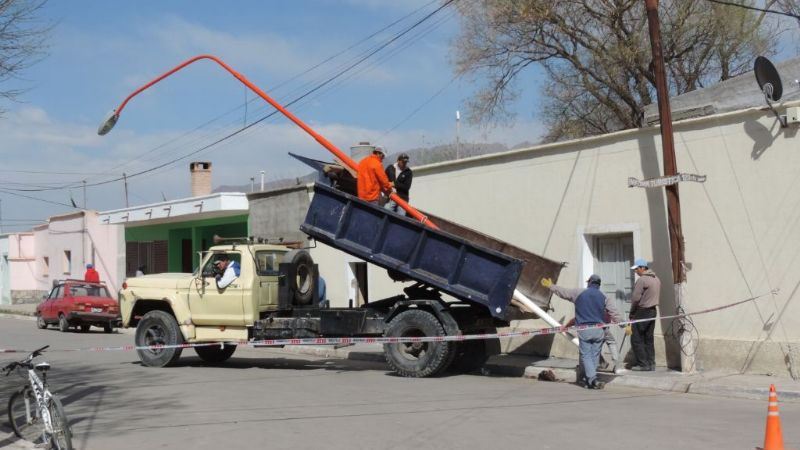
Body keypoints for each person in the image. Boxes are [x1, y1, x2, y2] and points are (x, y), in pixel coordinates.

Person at [541, 274, 624, 389]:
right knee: (594, 355)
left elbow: (563, 292)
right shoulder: (604, 296)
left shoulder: (578, 293)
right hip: (599, 330)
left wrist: (551, 286)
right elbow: (614, 312)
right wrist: (623, 324)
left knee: (585, 355)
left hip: (584, 330)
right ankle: (589, 380)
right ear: (598, 285)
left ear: (589, 282)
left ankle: (592, 379)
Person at [629, 258, 661, 371]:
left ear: (643, 268)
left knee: (636, 338)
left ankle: (643, 364)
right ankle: (651, 363)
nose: (635, 271)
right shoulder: (656, 278)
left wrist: (632, 312)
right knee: (648, 338)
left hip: (642, 311)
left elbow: (635, 298)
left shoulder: (642, 280)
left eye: (637, 269)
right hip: (653, 311)